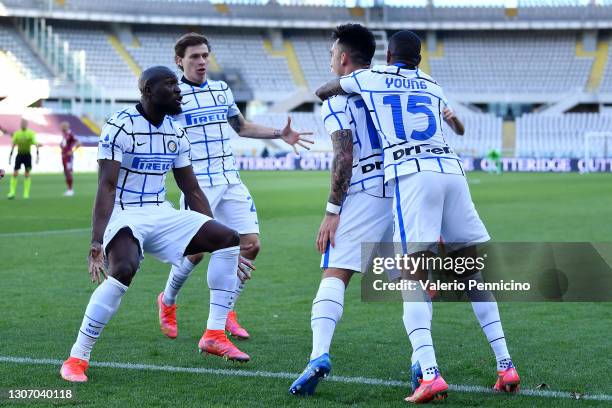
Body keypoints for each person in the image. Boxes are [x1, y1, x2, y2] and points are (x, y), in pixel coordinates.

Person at [316, 30, 519, 403]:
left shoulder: (370, 77)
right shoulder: (432, 83)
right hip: (452, 173)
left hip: (413, 174)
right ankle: (506, 364)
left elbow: (327, 90)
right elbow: (454, 123)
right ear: (420, 60)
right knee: (470, 272)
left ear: (388, 55)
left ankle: (429, 373)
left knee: (412, 276)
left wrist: (335, 87)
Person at [60, 66, 252, 383]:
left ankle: (215, 334)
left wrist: (216, 239)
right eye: (170, 84)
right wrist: (96, 242)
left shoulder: (176, 132)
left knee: (229, 238)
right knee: (123, 270)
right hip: (124, 212)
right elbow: (106, 186)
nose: (178, 90)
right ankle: (77, 358)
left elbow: (191, 190)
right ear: (148, 91)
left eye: (177, 85)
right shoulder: (120, 126)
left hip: (160, 211)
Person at [156, 33, 313, 343]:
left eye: (204, 55)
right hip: (198, 185)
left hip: (230, 179)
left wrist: (278, 134)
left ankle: (226, 310)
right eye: (194, 57)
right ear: (179, 61)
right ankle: (168, 300)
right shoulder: (173, 98)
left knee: (251, 245)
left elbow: (241, 127)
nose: (201, 61)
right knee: (197, 252)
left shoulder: (221, 90)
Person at [289, 23, 393, 396]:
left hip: (364, 192)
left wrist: (333, 210)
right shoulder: (389, 89)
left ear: (344, 58)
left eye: (333, 54)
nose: (331, 59)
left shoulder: (336, 99)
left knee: (335, 276)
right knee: (413, 283)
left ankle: (319, 355)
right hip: (402, 189)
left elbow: (343, 155)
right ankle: (424, 367)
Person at [7, 118, 41, 199]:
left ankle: (26, 194)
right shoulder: (17, 133)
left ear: (26, 124)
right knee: (15, 173)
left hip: (27, 155)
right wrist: (10, 156)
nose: (23, 125)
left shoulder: (30, 133)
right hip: (19, 155)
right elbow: (13, 145)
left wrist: (37, 153)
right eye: (22, 123)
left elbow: (34, 142)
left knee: (27, 173)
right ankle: (12, 192)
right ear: (20, 124)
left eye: (24, 123)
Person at [60, 121, 81, 196]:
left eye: (62, 126)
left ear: (66, 126)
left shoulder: (70, 134)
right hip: (64, 156)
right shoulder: (64, 135)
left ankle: (70, 189)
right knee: (66, 172)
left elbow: (78, 143)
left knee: (68, 172)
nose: (61, 127)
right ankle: (68, 189)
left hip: (68, 157)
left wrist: (72, 151)